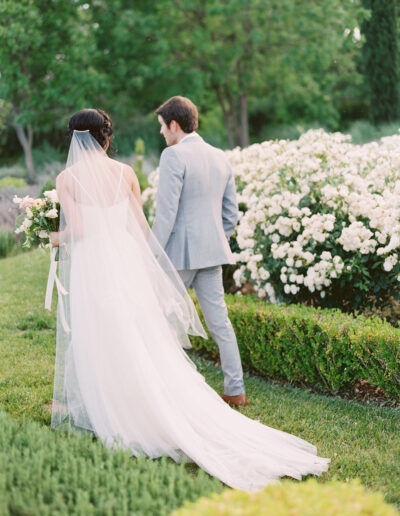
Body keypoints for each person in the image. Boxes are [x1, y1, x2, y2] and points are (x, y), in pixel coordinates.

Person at [50, 108, 329, 491]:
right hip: (127, 260)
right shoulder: (127, 174)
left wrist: (48, 237)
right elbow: (141, 226)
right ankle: (199, 391)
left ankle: (110, 405)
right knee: (140, 333)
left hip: (94, 264)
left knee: (99, 332)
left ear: (75, 139)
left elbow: (77, 229)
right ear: (106, 137)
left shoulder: (67, 178)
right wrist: (147, 262)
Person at [152, 96, 246, 407]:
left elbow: (165, 214)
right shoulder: (220, 156)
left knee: (161, 320)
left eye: (163, 128)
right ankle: (236, 390)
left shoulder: (173, 156)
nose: (162, 134)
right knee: (220, 322)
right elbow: (230, 214)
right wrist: (215, 237)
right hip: (212, 252)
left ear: (175, 124)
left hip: (178, 254)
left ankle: (164, 388)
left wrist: (151, 254)